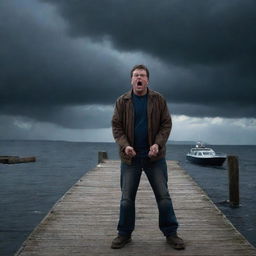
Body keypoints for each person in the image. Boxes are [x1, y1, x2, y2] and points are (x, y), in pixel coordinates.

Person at [111, 64, 185, 250]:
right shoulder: (122, 101)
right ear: (131, 80)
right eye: (136, 75)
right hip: (131, 157)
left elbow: (166, 124)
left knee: (164, 196)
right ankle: (124, 234)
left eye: (142, 75)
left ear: (147, 80)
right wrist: (125, 145)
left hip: (155, 157)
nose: (139, 78)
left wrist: (157, 144)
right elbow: (116, 127)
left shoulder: (158, 100)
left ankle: (171, 233)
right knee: (127, 198)